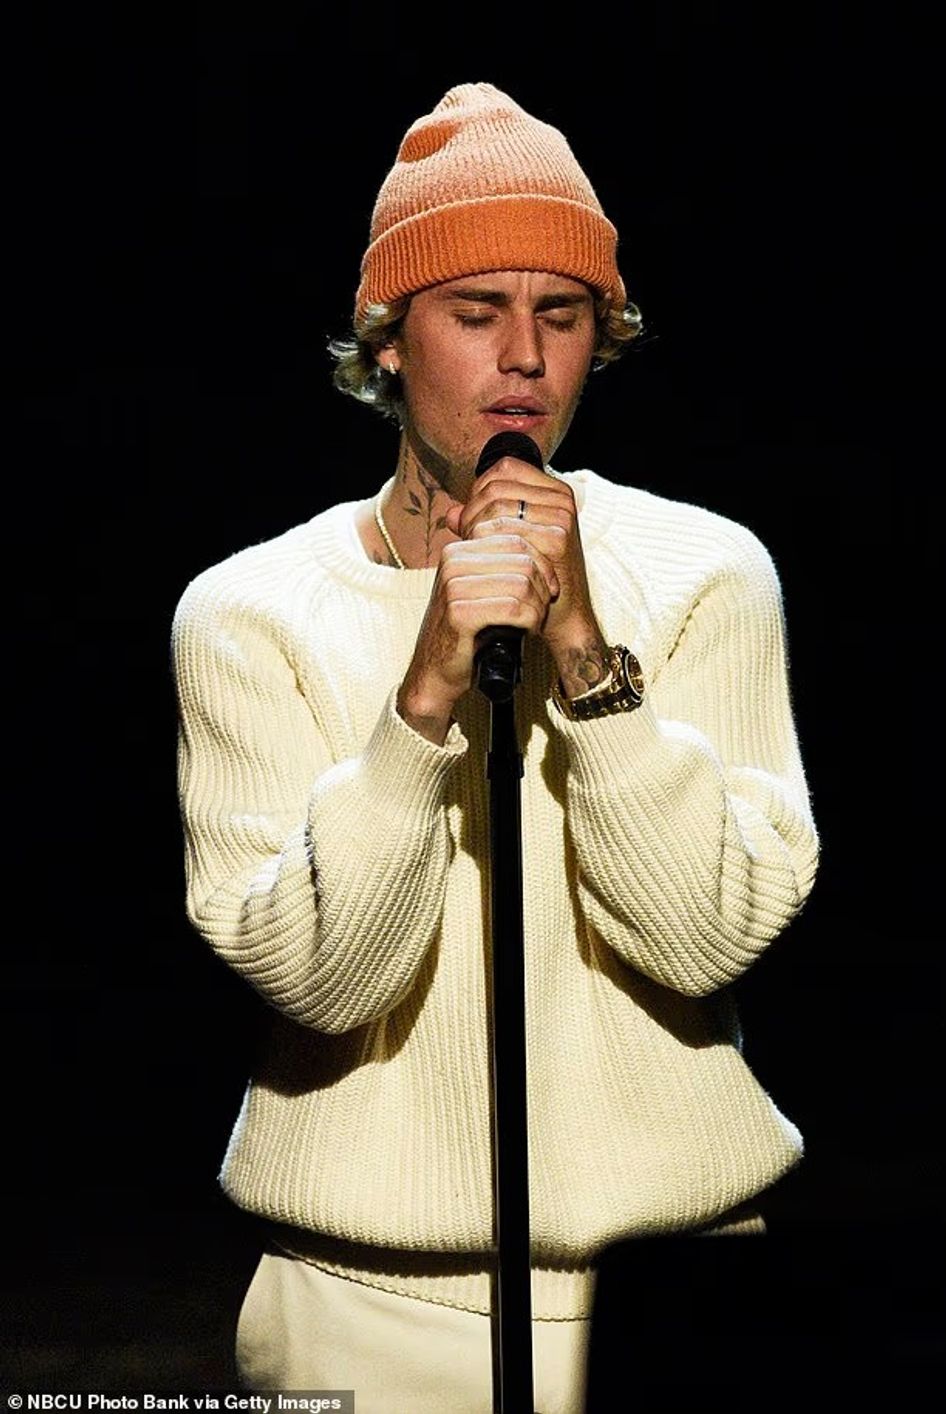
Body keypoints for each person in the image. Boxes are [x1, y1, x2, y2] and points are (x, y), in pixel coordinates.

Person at [171, 82, 819, 1414]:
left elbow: (705, 940)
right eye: (475, 312)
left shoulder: (707, 572)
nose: (524, 355)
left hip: (678, 1294)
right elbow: (327, 980)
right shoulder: (250, 614)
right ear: (387, 340)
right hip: (365, 1309)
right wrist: (423, 697)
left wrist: (584, 651)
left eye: (563, 315)